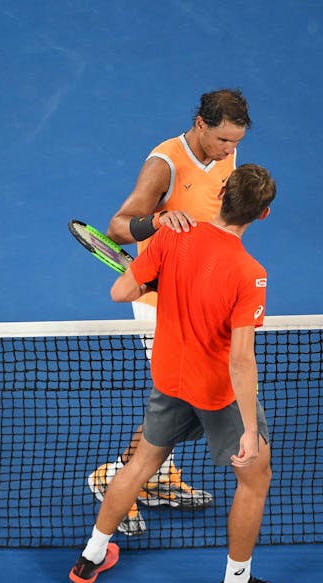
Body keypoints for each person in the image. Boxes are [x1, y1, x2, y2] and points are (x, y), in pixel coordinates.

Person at [70, 164, 298, 583]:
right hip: (216, 392)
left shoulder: (173, 236)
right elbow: (240, 358)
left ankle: (91, 557)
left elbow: (120, 292)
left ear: (221, 193)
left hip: (170, 378)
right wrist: (249, 430)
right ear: (263, 215)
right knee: (256, 477)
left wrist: (153, 276)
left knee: (141, 465)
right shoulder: (250, 272)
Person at [87, 89, 253, 536]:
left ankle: (155, 475)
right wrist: (157, 222)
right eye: (222, 141)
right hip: (160, 304)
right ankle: (116, 475)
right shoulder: (164, 163)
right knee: (180, 395)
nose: (229, 150)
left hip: (201, 297)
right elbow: (118, 227)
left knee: (180, 398)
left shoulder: (227, 156)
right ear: (201, 123)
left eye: (235, 142)